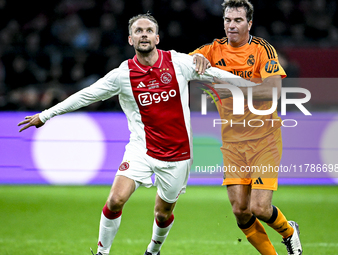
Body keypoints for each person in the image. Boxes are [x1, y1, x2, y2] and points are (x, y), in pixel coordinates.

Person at [18, 13, 256, 255]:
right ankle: (102, 252)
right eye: (139, 31)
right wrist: (46, 115)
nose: (144, 34)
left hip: (178, 154)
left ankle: (153, 249)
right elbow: (87, 94)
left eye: (149, 30)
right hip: (141, 149)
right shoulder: (123, 75)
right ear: (130, 39)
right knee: (115, 200)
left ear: (157, 37)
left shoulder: (178, 63)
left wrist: (254, 88)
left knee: (162, 214)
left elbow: (216, 75)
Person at [190, 1, 303, 255]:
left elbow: (273, 91)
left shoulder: (263, 50)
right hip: (232, 142)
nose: (232, 25)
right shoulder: (211, 50)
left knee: (260, 208)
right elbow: (182, 64)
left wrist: (232, 86)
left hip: (264, 138)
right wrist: (194, 59)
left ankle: (289, 231)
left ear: (249, 23)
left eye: (238, 20)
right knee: (241, 211)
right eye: (228, 20)